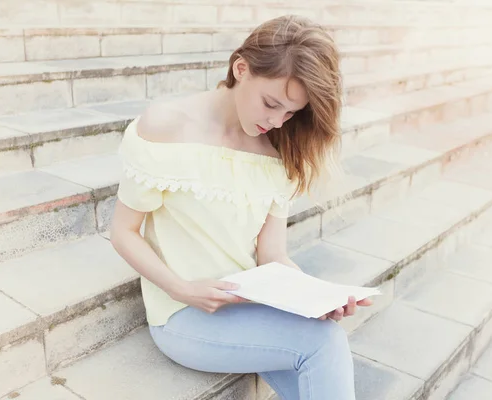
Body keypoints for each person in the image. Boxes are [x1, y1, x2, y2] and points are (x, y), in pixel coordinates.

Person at [110, 14, 373, 400]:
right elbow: (122, 232)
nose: (277, 120)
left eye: (290, 113)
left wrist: (318, 297)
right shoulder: (165, 128)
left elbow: (272, 254)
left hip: (252, 306)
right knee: (324, 345)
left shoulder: (277, 150)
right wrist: (183, 289)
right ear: (241, 68)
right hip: (183, 315)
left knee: (322, 351)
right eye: (271, 103)